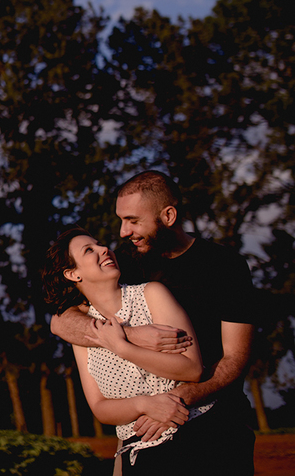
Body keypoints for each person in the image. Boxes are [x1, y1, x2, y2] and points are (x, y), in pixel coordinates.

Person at [49, 171, 257, 474]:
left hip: (218, 428)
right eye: (121, 220)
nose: (122, 232)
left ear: (168, 216)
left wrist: (173, 401)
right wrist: (128, 336)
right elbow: (61, 321)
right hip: (144, 439)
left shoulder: (226, 266)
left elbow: (236, 358)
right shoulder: (127, 264)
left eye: (133, 220)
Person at [43, 228, 210, 471]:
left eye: (99, 244)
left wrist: (122, 347)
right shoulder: (83, 331)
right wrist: (144, 405)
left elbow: (193, 370)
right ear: (72, 274)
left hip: (196, 436)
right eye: (89, 250)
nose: (103, 249)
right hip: (140, 454)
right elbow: (99, 406)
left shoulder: (152, 294)